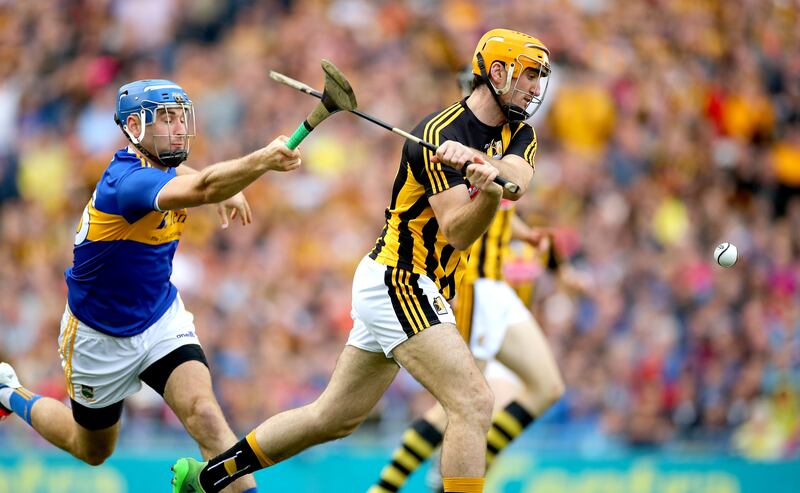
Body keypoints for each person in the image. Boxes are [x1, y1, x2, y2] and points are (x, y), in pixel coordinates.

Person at [170, 28, 551, 493]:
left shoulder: (520, 133)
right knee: (472, 402)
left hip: (416, 286)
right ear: (497, 72)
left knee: (331, 418)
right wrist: (487, 185)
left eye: (538, 77)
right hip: (400, 280)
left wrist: (486, 169)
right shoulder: (433, 136)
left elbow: (518, 177)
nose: (535, 87)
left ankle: (209, 478)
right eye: (529, 75)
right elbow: (457, 232)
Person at [0, 79, 301, 493]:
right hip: (98, 337)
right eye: (165, 119)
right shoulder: (126, 184)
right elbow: (202, 185)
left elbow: (190, 176)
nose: (178, 128)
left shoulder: (158, 168)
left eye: (181, 117)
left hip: (160, 318)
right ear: (135, 129)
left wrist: (221, 189)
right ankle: (8, 392)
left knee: (206, 415)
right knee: (91, 449)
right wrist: (260, 162)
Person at [365, 65, 568, 493]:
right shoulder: (448, 139)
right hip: (471, 282)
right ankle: (390, 486)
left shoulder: (508, 140)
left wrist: (525, 232)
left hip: (498, 288)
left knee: (545, 385)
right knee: (463, 401)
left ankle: (467, 471)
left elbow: (507, 191)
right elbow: (459, 219)